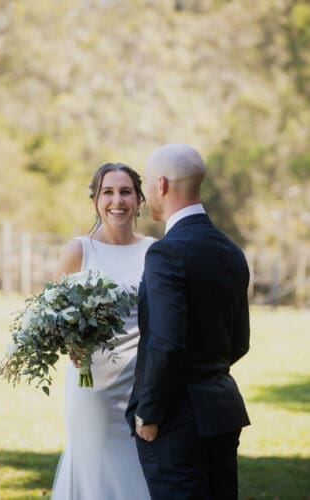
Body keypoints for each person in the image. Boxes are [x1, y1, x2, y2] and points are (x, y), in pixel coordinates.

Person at [126, 144, 250, 499]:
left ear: (161, 185)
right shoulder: (231, 250)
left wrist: (148, 412)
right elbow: (239, 341)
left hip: (174, 422)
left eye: (147, 183)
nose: (146, 193)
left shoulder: (166, 252)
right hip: (222, 412)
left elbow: (166, 343)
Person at [51, 162, 154, 500]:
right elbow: (53, 317)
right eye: (108, 192)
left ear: (139, 200)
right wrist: (72, 344)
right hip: (91, 384)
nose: (117, 200)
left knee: (137, 469)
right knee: (93, 467)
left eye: (126, 192)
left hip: (141, 385)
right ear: (95, 199)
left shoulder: (154, 251)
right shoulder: (80, 251)